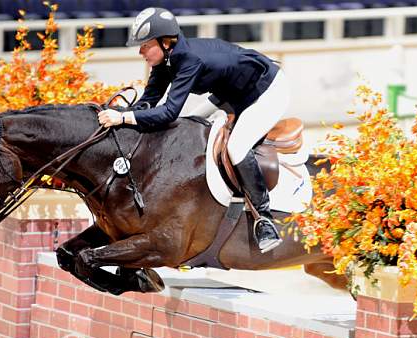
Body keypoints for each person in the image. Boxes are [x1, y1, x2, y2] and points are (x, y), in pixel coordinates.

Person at [98, 7, 290, 253]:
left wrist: (124, 118)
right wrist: (125, 114)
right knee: (187, 125)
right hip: (231, 92)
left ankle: (264, 219)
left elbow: (168, 112)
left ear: (165, 42)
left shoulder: (189, 59)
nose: (140, 51)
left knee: (236, 147)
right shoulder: (165, 62)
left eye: (145, 45)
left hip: (266, 91)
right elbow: (150, 101)